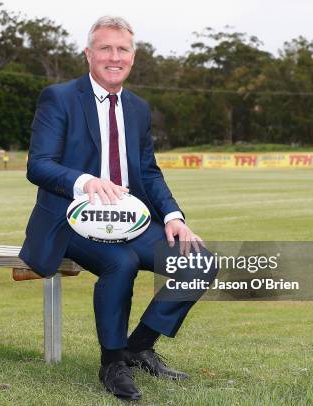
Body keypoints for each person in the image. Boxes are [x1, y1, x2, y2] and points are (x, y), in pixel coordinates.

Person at [19, 15, 211, 401]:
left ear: (133, 57)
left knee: (198, 263)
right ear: (88, 54)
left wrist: (174, 217)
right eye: (105, 48)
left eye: (122, 49)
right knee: (119, 263)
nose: (114, 56)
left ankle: (137, 347)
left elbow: (149, 172)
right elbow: (38, 165)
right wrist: (85, 181)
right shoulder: (59, 97)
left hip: (130, 218)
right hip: (71, 219)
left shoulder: (138, 108)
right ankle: (112, 364)